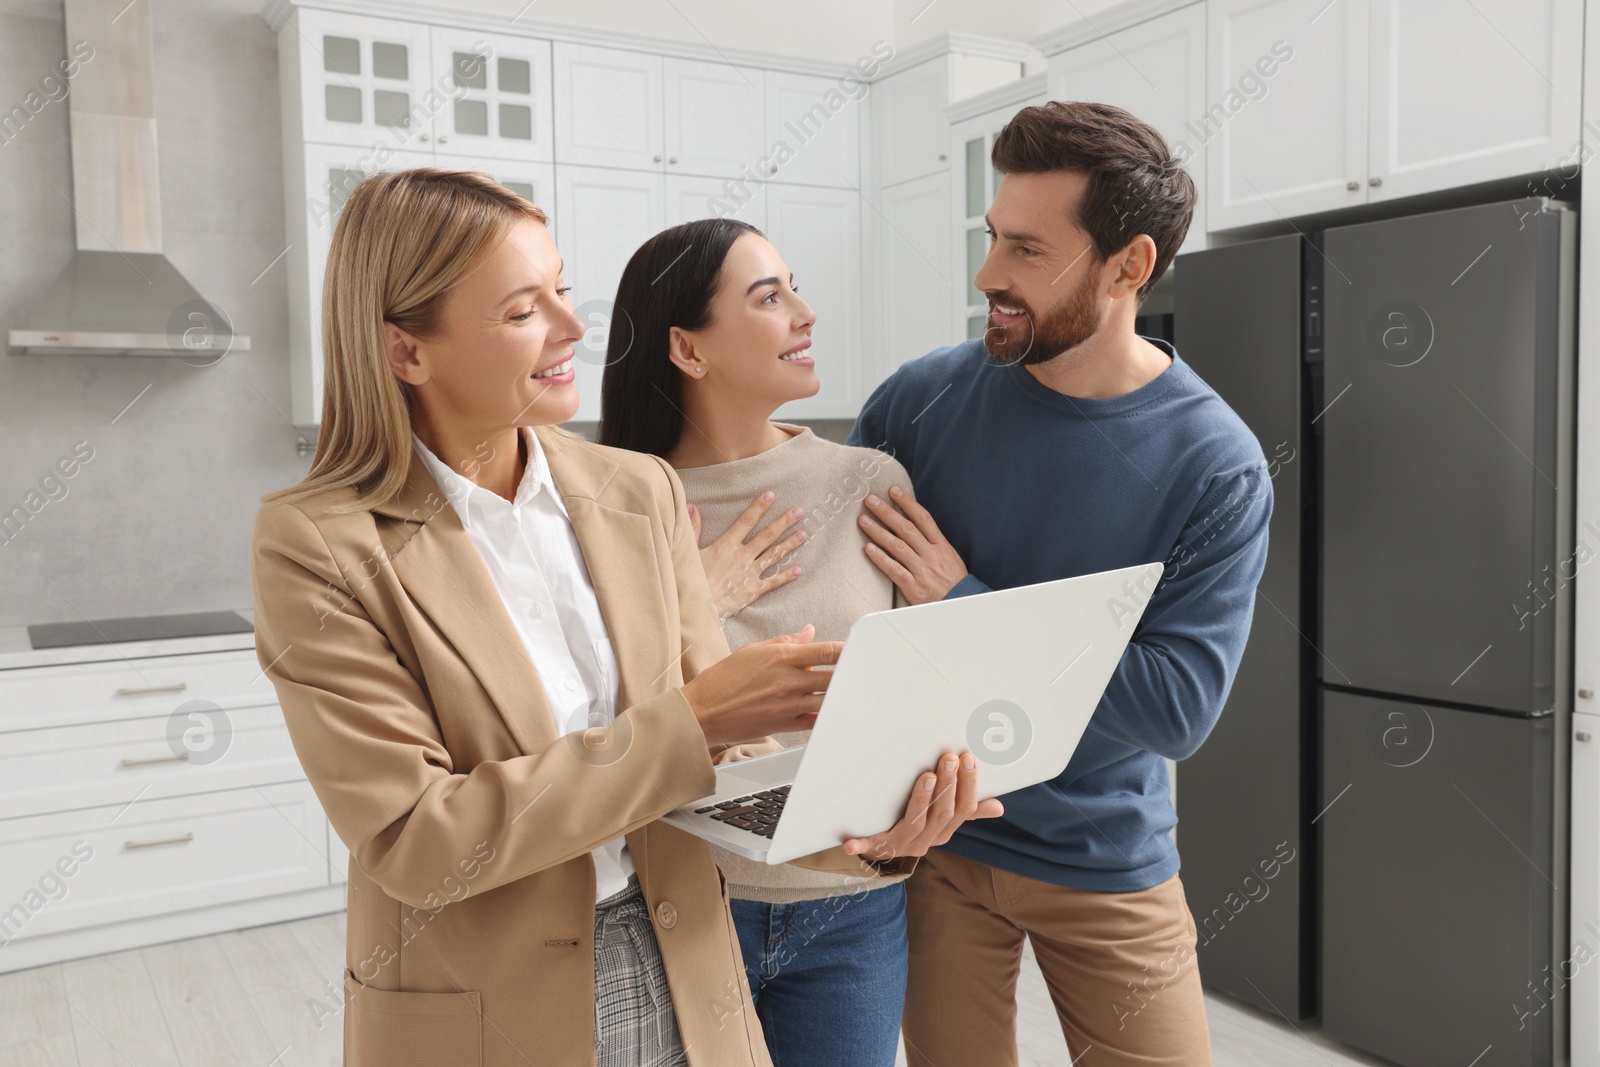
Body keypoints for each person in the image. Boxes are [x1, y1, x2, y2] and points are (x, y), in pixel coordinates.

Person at [249, 168, 993, 1067]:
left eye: (562, 290)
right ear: (408, 351)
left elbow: (728, 771)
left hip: (689, 964)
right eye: (524, 310)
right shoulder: (321, 543)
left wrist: (869, 832)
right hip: (493, 1006)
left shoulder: (637, 489)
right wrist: (697, 716)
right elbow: (417, 837)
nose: (571, 327)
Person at [846, 102, 1274, 1066]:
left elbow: (1176, 708)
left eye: (1028, 251)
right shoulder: (920, 401)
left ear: (1129, 268)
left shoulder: (1216, 462)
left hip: (1105, 858)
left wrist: (964, 604)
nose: (988, 274)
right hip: (934, 843)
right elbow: (842, 609)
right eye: (992, 237)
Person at [598, 218, 989, 1067]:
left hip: (849, 906)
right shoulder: (613, 503)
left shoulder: (867, 482)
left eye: (793, 287)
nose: (806, 312)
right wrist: (690, 597)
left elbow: (911, 693)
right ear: (687, 349)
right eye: (768, 296)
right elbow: (587, 719)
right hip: (675, 901)